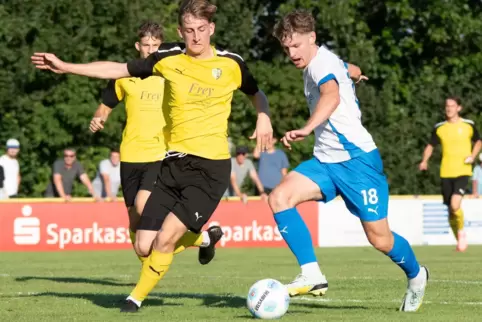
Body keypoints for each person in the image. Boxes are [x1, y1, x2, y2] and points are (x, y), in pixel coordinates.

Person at [31, 0, 273, 313]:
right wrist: (66, 66)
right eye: (189, 30)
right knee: (144, 246)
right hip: (172, 166)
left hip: (209, 169)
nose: (196, 36)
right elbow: (117, 70)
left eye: (202, 29)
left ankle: (134, 299)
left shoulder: (231, 63)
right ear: (179, 32)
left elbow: (256, 93)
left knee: (165, 240)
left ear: (211, 29)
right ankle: (204, 240)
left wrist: (263, 116)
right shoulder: (166, 59)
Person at [271, 10, 427, 312]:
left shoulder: (321, 66)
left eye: (296, 46)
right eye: (286, 48)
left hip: (358, 162)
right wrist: (355, 72)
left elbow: (331, 96)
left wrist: (305, 128)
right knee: (279, 198)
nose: (291, 53)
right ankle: (312, 275)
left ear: (312, 38)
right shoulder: (326, 60)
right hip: (326, 162)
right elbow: (347, 68)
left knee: (381, 240)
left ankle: (417, 275)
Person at [89, 22, 222, 270]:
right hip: (130, 154)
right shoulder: (125, 76)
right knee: (134, 221)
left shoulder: (169, 72)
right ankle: (203, 239)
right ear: (137, 46)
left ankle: (150, 273)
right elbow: (105, 105)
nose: (150, 50)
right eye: (146, 45)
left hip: (161, 154)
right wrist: (99, 118)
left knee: (143, 205)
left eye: (155, 45)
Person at [419, 97, 481, 252]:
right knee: (451, 211)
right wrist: (424, 161)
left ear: (459, 108)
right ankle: (459, 239)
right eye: (447, 106)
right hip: (446, 172)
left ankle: (461, 233)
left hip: (463, 171)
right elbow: (430, 145)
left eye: (452, 106)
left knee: (455, 205)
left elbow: (479, 141)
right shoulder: (440, 127)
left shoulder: (468, 125)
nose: (449, 109)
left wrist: (473, 156)